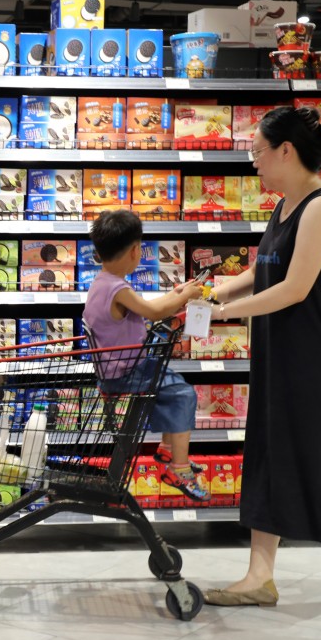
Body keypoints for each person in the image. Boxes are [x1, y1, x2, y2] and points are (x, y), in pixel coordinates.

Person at [202, 106, 321, 607]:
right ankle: (259, 575)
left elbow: (295, 288)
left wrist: (226, 314)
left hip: (315, 359)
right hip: (278, 351)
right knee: (266, 452)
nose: (254, 162)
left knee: (318, 456)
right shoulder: (284, 206)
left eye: (259, 151)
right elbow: (262, 272)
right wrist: (210, 293)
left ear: (287, 150)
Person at [83, 209, 208, 502]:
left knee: (171, 385)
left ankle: (168, 448)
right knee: (183, 394)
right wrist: (185, 296)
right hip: (128, 372)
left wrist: (177, 292)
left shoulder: (102, 282)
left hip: (118, 369)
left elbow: (148, 306)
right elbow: (153, 311)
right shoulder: (119, 288)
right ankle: (178, 467)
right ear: (136, 251)